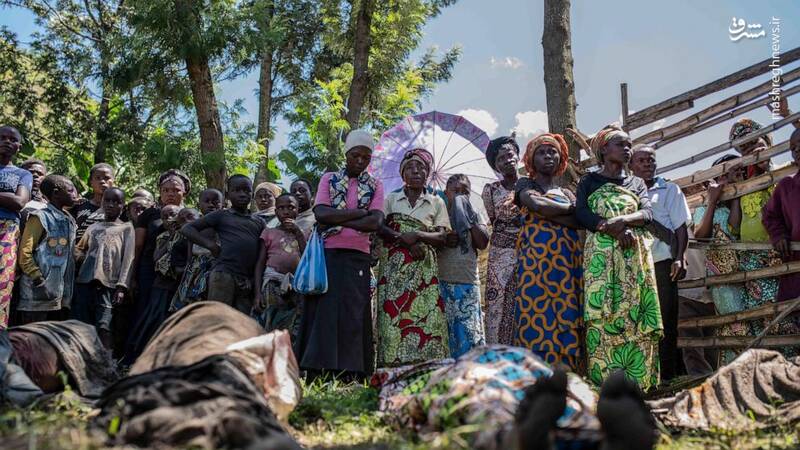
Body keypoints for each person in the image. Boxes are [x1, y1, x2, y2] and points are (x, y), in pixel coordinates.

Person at [575, 126, 662, 390]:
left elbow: (647, 214)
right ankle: (605, 386)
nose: (627, 149)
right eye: (621, 144)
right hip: (601, 259)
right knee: (603, 314)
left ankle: (639, 385)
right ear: (603, 149)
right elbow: (581, 214)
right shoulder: (588, 182)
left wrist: (621, 221)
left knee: (636, 312)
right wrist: (609, 227)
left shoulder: (636, 183)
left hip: (633, 257)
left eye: (629, 145)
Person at [298, 129, 384, 378]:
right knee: (324, 312)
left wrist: (341, 217)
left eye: (366, 157)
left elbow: (376, 222)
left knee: (353, 312)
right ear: (347, 154)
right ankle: (318, 370)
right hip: (328, 253)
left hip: (358, 255)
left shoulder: (375, 185)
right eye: (355, 155)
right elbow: (322, 214)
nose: (360, 161)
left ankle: (351, 372)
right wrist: (360, 213)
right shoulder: (329, 179)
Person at [513, 133, 583, 371]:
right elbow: (536, 205)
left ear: (561, 157)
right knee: (535, 308)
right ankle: (536, 372)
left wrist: (555, 212)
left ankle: (566, 372)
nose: (548, 156)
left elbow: (579, 222)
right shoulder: (524, 184)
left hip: (566, 261)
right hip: (536, 261)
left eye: (552, 151)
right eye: (541, 152)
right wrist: (570, 210)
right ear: (532, 159)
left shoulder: (568, 190)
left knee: (567, 308)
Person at [376, 148, 451, 366]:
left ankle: (428, 368)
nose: (415, 171)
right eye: (409, 167)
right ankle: (392, 368)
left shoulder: (436, 202)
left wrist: (417, 234)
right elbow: (380, 228)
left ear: (427, 173)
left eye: (421, 167)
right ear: (402, 175)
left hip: (423, 270)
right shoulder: (391, 199)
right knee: (392, 316)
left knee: (426, 316)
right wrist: (404, 238)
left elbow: (442, 236)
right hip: (394, 268)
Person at [728, 118, 798, 338]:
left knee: (784, 316)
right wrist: (737, 189)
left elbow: (782, 210)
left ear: (766, 141)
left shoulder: (783, 174)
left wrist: (766, 167)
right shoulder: (745, 184)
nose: (750, 150)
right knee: (760, 315)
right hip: (752, 258)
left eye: (753, 143)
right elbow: (734, 226)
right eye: (744, 148)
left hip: (778, 254)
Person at [629, 144, 691, 381]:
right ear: (631, 165)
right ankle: (643, 375)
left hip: (663, 263)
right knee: (639, 319)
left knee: (666, 320)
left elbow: (680, 228)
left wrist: (680, 257)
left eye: (651, 160)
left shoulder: (669, 189)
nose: (647, 164)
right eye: (641, 160)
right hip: (635, 265)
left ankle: (667, 376)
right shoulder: (625, 193)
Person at [126, 169, 190, 363]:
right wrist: (133, 276)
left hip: (178, 273)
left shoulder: (190, 215)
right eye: (166, 189)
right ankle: (135, 358)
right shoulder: (150, 214)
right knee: (145, 311)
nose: (170, 193)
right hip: (148, 270)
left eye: (175, 190)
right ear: (160, 192)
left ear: (184, 192)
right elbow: (138, 245)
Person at [692, 154, 747, 364]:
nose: (730, 178)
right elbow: (701, 236)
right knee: (734, 327)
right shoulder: (705, 206)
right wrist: (713, 201)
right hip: (721, 279)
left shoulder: (739, 198)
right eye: (724, 175)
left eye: (736, 173)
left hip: (745, 272)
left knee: (750, 323)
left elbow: (735, 227)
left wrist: (735, 196)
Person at [182, 175, 265, 314]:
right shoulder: (221, 215)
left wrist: (254, 283)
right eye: (237, 190)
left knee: (240, 324)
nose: (242, 194)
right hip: (223, 274)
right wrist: (211, 245)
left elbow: (261, 256)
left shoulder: (259, 222)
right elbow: (187, 229)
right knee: (217, 319)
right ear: (227, 195)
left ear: (252, 194)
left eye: (247, 190)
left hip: (246, 280)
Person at [72, 187, 135, 349]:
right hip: (84, 281)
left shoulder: (127, 229)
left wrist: (122, 286)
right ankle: (83, 359)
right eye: (107, 200)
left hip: (109, 284)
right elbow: (79, 249)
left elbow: (129, 259)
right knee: (82, 323)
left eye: (116, 202)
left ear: (123, 206)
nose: (111, 205)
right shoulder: (93, 227)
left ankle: (106, 364)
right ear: (101, 202)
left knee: (104, 325)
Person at [437, 174, 488, 358]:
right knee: (446, 334)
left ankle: (470, 377)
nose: (459, 195)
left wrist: (467, 218)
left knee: (469, 333)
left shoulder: (475, 213)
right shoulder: (438, 213)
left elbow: (482, 243)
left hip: (467, 282)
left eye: (464, 192)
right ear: (446, 193)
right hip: (442, 281)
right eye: (455, 191)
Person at [16, 175, 78, 325]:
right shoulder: (40, 217)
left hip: (59, 296)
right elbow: (25, 252)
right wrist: (38, 278)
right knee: (31, 338)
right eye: (70, 190)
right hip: (37, 294)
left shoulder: (69, 220)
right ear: (56, 193)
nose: (75, 194)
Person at [482, 135, 522, 345]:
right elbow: (492, 219)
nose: (507, 160)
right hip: (500, 255)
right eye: (501, 159)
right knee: (498, 302)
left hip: (529, 250)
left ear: (517, 155)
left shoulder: (530, 184)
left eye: (509, 154)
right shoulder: (491, 190)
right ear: (496, 166)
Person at [253, 193, 307, 339]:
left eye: (291, 207)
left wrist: (298, 233)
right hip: (272, 282)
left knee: (292, 324)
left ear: (298, 209)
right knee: (271, 322)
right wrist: (257, 294)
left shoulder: (304, 233)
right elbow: (260, 263)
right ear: (276, 212)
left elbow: (307, 257)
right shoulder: (269, 232)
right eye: (281, 208)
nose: (286, 211)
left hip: (296, 286)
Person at [762, 128, 800, 302]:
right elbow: (770, 216)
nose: (797, 150)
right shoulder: (787, 185)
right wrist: (779, 235)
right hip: (796, 264)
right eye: (793, 148)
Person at [170, 188, 224, 310]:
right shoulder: (194, 227)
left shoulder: (225, 225)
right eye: (207, 201)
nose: (211, 205)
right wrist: (188, 272)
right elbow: (190, 254)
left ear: (223, 204)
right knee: (191, 306)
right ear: (199, 205)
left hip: (217, 267)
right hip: (195, 270)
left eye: (216, 202)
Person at [0, 126, 31, 329]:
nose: (7, 141)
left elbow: (19, 202)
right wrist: (6, 197)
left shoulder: (23, 174)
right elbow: (12, 199)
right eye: (2, 137)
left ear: (19, 147)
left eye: (13, 139)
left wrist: (12, 200)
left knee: (2, 286)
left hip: (7, 232)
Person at [71, 163, 115, 241]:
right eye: (98, 178)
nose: (102, 181)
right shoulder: (79, 206)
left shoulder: (120, 210)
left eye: (106, 178)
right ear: (91, 182)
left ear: (113, 181)